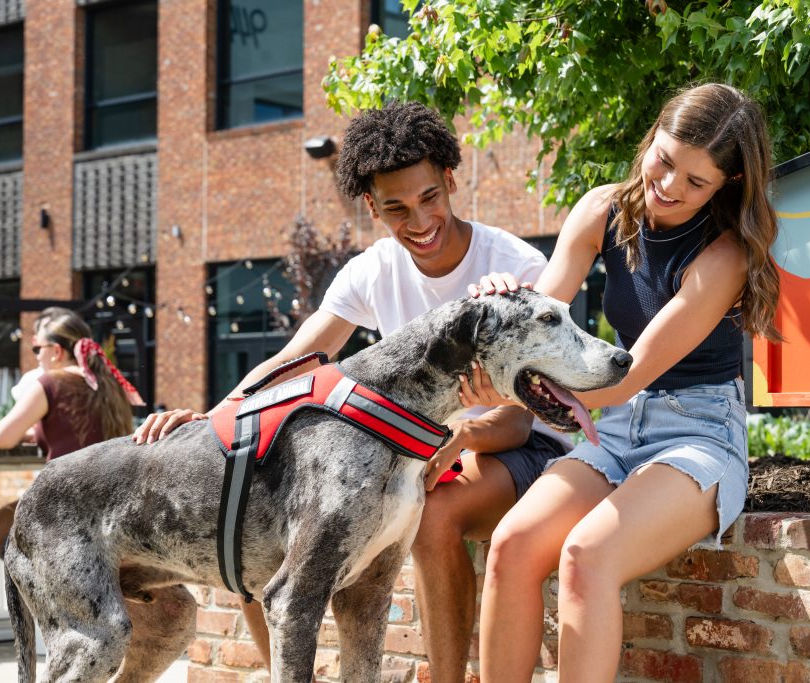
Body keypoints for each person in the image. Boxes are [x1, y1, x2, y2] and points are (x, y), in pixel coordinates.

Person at [131, 101, 572, 682]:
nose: (418, 221)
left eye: (429, 199)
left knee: (433, 511)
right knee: (258, 526)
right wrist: (209, 421)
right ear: (371, 207)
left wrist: (458, 434)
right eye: (396, 208)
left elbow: (520, 420)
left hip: (518, 447)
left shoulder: (513, 265)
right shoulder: (372, 269)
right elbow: (293, 361)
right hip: (426, 447)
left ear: (450, 181)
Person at [465, 83, 781, 682]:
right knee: (511, 547)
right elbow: (540, 314)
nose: (669, 186)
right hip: (615, 431)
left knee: (587, 556)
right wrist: (500, 309)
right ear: (653, 136)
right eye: (664, 161)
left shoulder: (724, 256)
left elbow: (627, 374)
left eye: (696, 182)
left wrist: (515, 389)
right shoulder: (601, 211)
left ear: (729, 185)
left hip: (696, 437)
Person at [0, 309, 142, 556]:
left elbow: (2, 437)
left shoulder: (50, 384)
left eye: (37, 349)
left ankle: (30, 590)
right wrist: (38, 432)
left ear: (56, 351)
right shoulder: (109, 384)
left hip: (65, 505)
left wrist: (24, 432)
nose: (37, 356)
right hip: (113, 506)